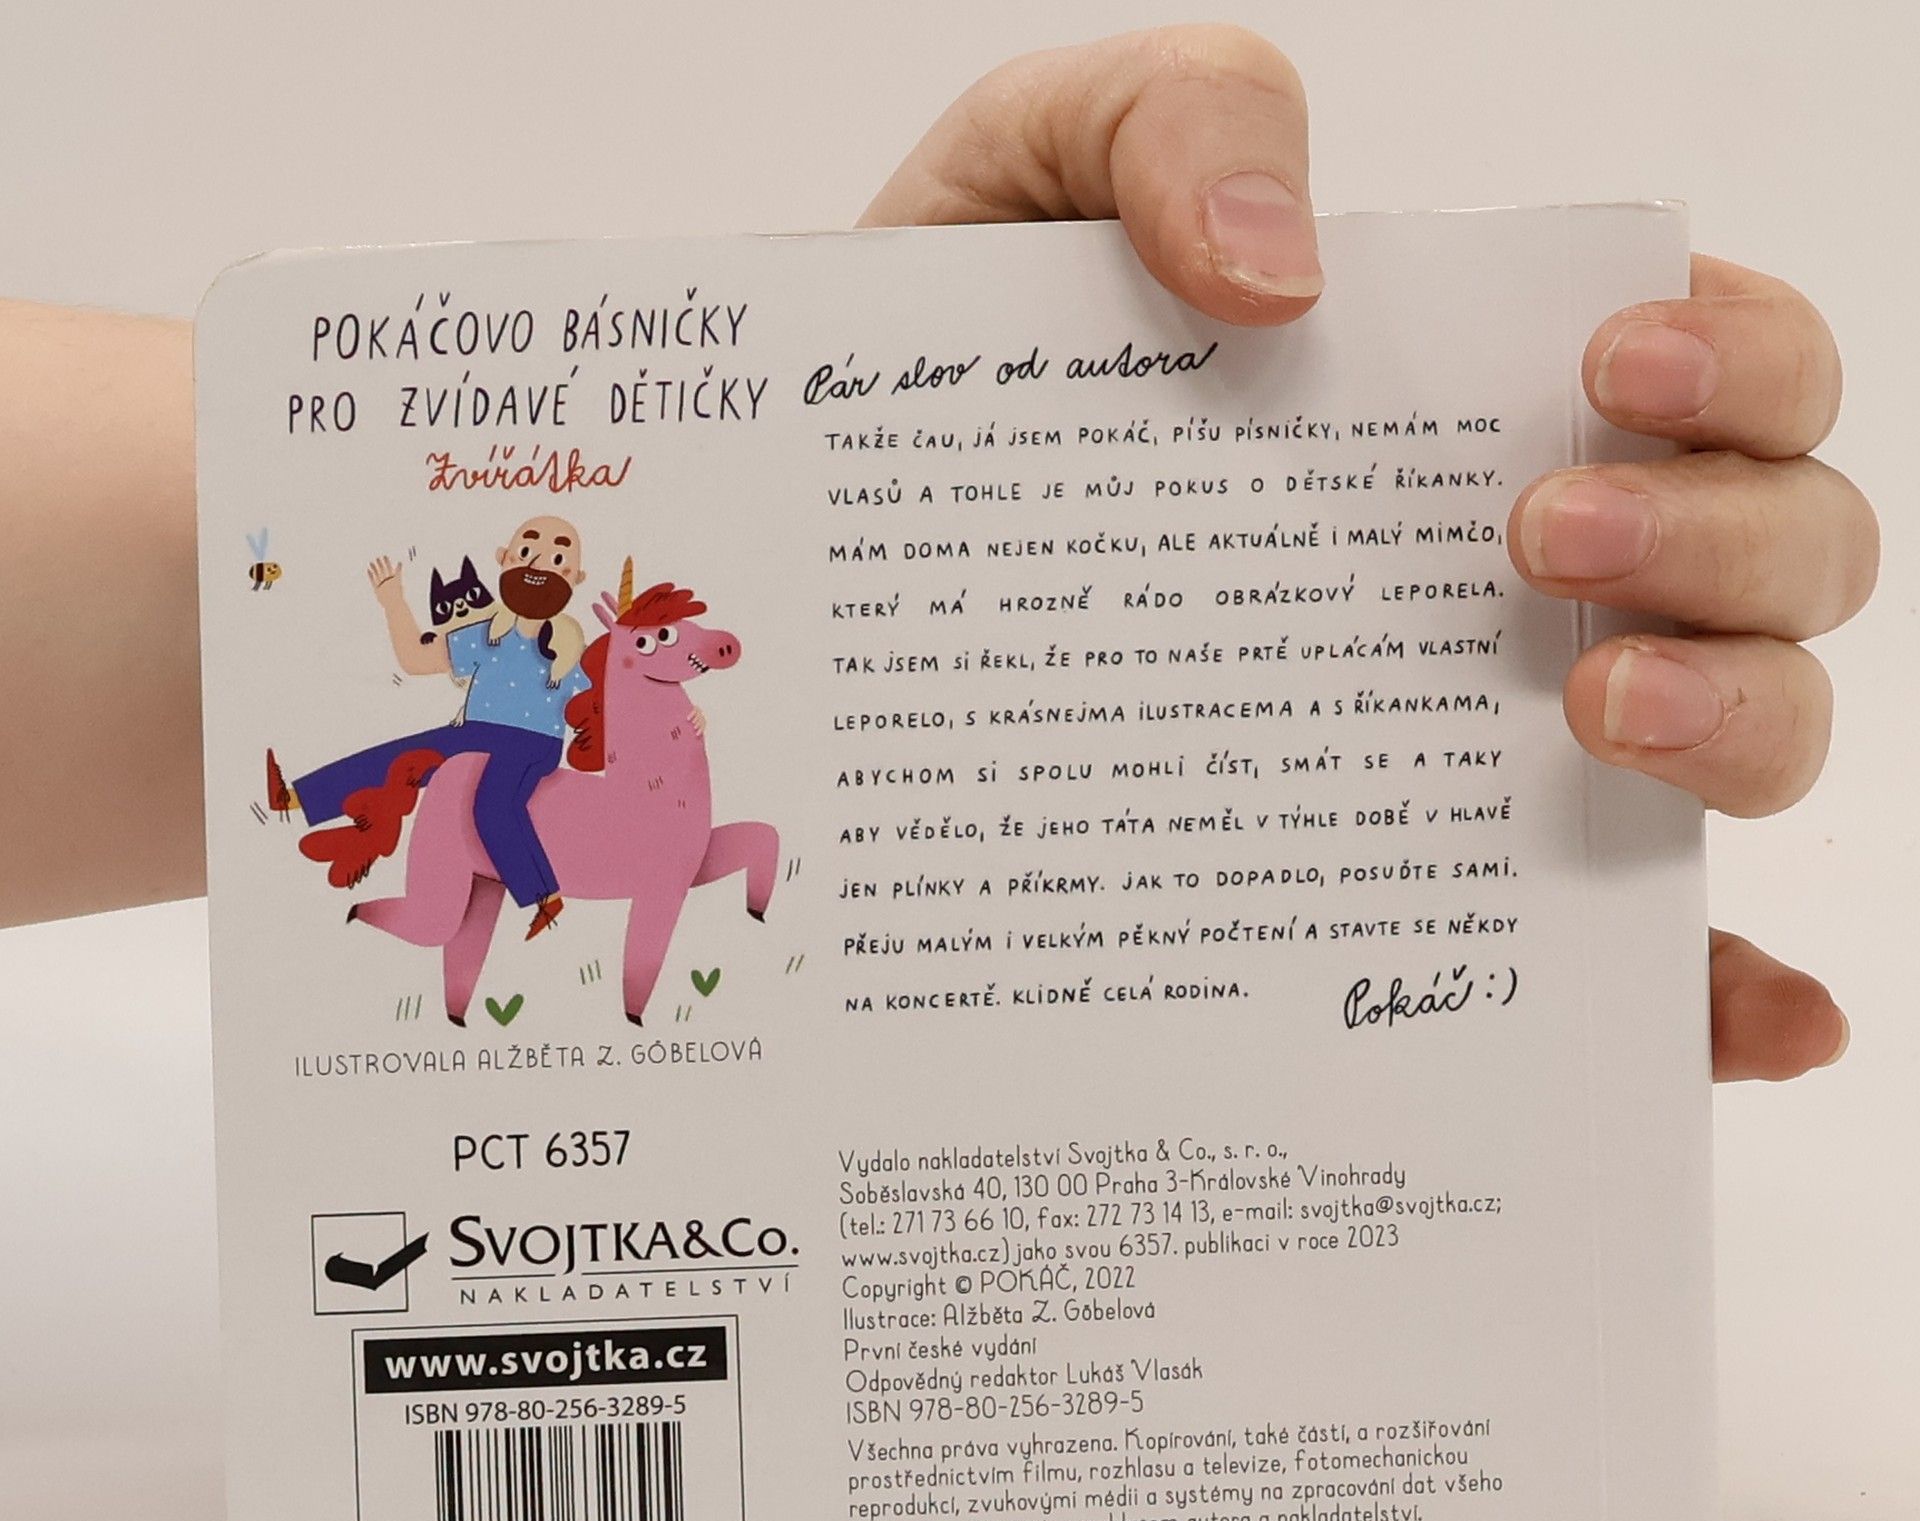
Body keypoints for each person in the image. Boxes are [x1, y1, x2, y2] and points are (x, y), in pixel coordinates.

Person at [0, 24, 1876, 1080]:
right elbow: (427, 661)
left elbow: (601, 629)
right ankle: (490, 918)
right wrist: (372, 601)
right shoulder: (511, 646)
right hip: (500, 741)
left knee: (602, 784)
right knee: (489, 783)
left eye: (567, 534)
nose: (558, 547)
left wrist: (880, 427)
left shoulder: (565, 632)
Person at [268, 516, 594, 940]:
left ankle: (543, 894)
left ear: (576, 578)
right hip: (476, 730)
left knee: (493, 804)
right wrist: (394, 604)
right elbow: (416, 660)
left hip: (533, 742)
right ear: (504, 559)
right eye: (527, 553)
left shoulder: (570, 649)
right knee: (399, 757)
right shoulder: (487, 635)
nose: (540, 565)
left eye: (558, 560)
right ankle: (296, 797)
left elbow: (605, 699)